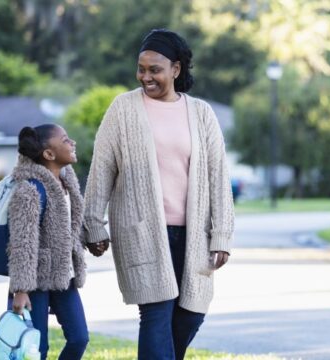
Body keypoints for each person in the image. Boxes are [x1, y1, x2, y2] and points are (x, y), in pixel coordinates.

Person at [82, 28, 235, 359]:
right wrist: (93, 223)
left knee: (190, 315)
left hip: (193, 234)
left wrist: (221, 234)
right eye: (141, 68)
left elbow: (219, 178)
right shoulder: (123, 110)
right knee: (155, 314)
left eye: (155, 70)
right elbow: (102, 169)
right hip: (142, 231)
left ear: (176, 70)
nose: (145, 77)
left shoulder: (201, 114)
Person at [7, 124, 89, 359]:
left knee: (79, 338)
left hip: (65, 276)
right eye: (65, 140)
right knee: (35, 349)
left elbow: (69, 228)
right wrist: (21, 289)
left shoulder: (67, 184)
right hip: (35, 282)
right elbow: (22, 243)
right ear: (49, 154)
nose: (72, 143)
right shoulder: (29, 190)